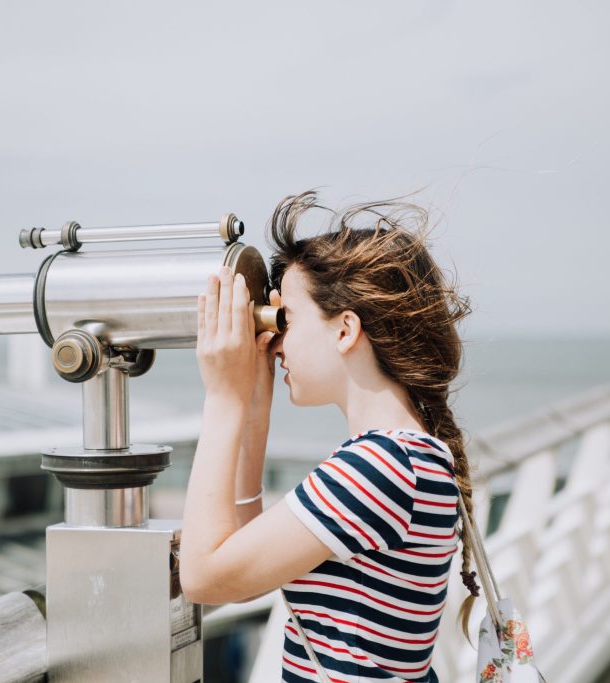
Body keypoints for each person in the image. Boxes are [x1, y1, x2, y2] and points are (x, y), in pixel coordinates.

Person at [180, 191, 479, 682]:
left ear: (344, 330)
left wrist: (223, 397)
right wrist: (255, 406)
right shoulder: (413, 456)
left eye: (287, 320)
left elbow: (203, 577)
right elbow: (242, 577)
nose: (275, 343)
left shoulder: (379, 467)